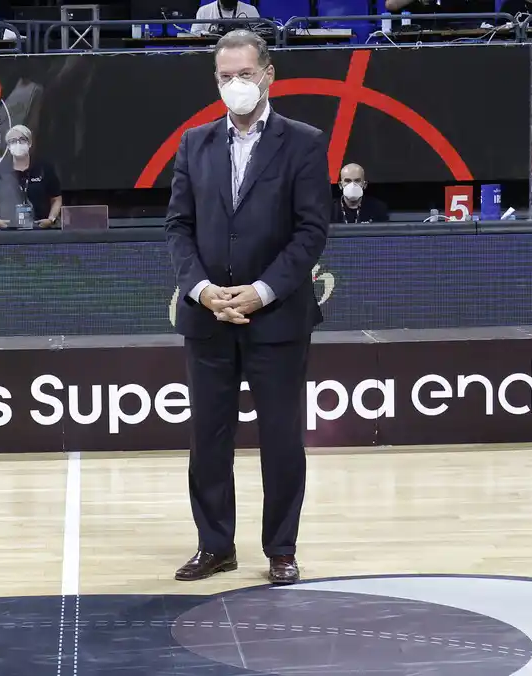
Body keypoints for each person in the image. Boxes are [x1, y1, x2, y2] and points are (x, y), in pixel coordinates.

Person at [162, 30, 330, 586]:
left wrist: (261, 292)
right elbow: (177, 228)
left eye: (244, 74)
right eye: (224, 76)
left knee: (282, 438)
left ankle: (281, 547)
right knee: (209, 438)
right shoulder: (194, 143)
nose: (234, 85)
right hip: (208, 317)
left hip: (277, 318)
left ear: (268, 75)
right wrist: (202, 289)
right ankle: (215, 546)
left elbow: (310, 232)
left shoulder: (304, 142)